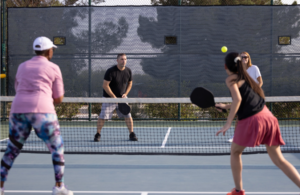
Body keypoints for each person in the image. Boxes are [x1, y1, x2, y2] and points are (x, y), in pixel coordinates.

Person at [215, 52, 300, 195]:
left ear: (225, 66)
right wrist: (225, 107)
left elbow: (238, 100)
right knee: (280, 160)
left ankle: (238, 191)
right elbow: (245, 100)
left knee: (235, 152)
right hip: (268, 117)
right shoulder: (248, 78)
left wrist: (228, 123)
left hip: (252, 120)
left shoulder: (231, 79)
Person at [0, 37, 73, 195]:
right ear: (48, 51)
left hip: (18, 109)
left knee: (12, 149)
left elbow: (18, 88)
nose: (52, 51)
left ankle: (0, 187)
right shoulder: (53, 67)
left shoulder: (22, 66)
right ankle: (59, 186)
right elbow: (59, 98)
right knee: (56, 147)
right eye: (52, 49)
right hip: (43, 111)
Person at [94, 53, 138, 142]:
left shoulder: (128, 71)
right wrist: (114, 97)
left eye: (125, 59)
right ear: (117, 60)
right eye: (122, 59)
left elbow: (130, 83)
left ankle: (131, 133)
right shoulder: (110, 71)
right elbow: (105, 85)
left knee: (128, 115)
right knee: (103, 116)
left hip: (122, 98)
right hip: (109, 98)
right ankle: (97, 134)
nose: (124, 61)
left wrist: (125, 94)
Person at [228, 51, 263, 143]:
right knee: (239, 116)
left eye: (246, 57)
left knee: (255, 117)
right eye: (242, 57)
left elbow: (260, 82)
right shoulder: (238, 71)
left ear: (248, 58)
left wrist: (255, 91)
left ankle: (257, 135)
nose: (244, 59)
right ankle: (235, 136)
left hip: (254, 97)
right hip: (243, 97)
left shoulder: (254, 68)